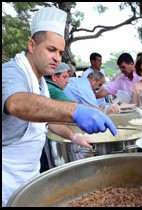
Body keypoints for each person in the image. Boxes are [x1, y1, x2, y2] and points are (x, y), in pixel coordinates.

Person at [2, 7, 117, 207]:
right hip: (5, 180)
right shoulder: (11, 72)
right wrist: (75, 111)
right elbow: (17, 103)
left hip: (28, 175)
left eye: (61, 52)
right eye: (51, 49)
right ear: (31, 45)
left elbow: (44, 121)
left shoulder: (41, 82)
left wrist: (74, 136)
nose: (57, 58)